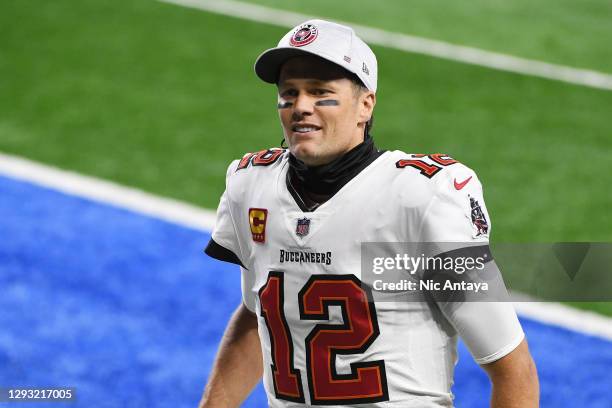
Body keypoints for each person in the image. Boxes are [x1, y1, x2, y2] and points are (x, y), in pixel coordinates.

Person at [200, 19, 539, 408]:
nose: (301, 107)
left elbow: (513, 367)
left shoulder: (421, 197)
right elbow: (254, 314)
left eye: (321, 92)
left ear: (365, 104)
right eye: (289, 93)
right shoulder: (251, 187)